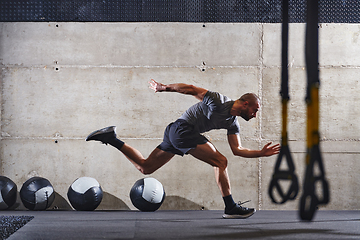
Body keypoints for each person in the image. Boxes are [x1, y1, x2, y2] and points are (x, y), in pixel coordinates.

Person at [86, 79, 280, 219]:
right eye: (255, 110)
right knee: (220, 161)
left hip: (176, 132)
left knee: (146, 168)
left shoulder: (232, 123)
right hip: (181, 129)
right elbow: (190, 89)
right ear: (245, 103)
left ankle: (111, 138)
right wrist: (164, 88)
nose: (255, 115)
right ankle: (230, 207)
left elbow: (237, 149)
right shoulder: (219, 100)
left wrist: (260, 153)